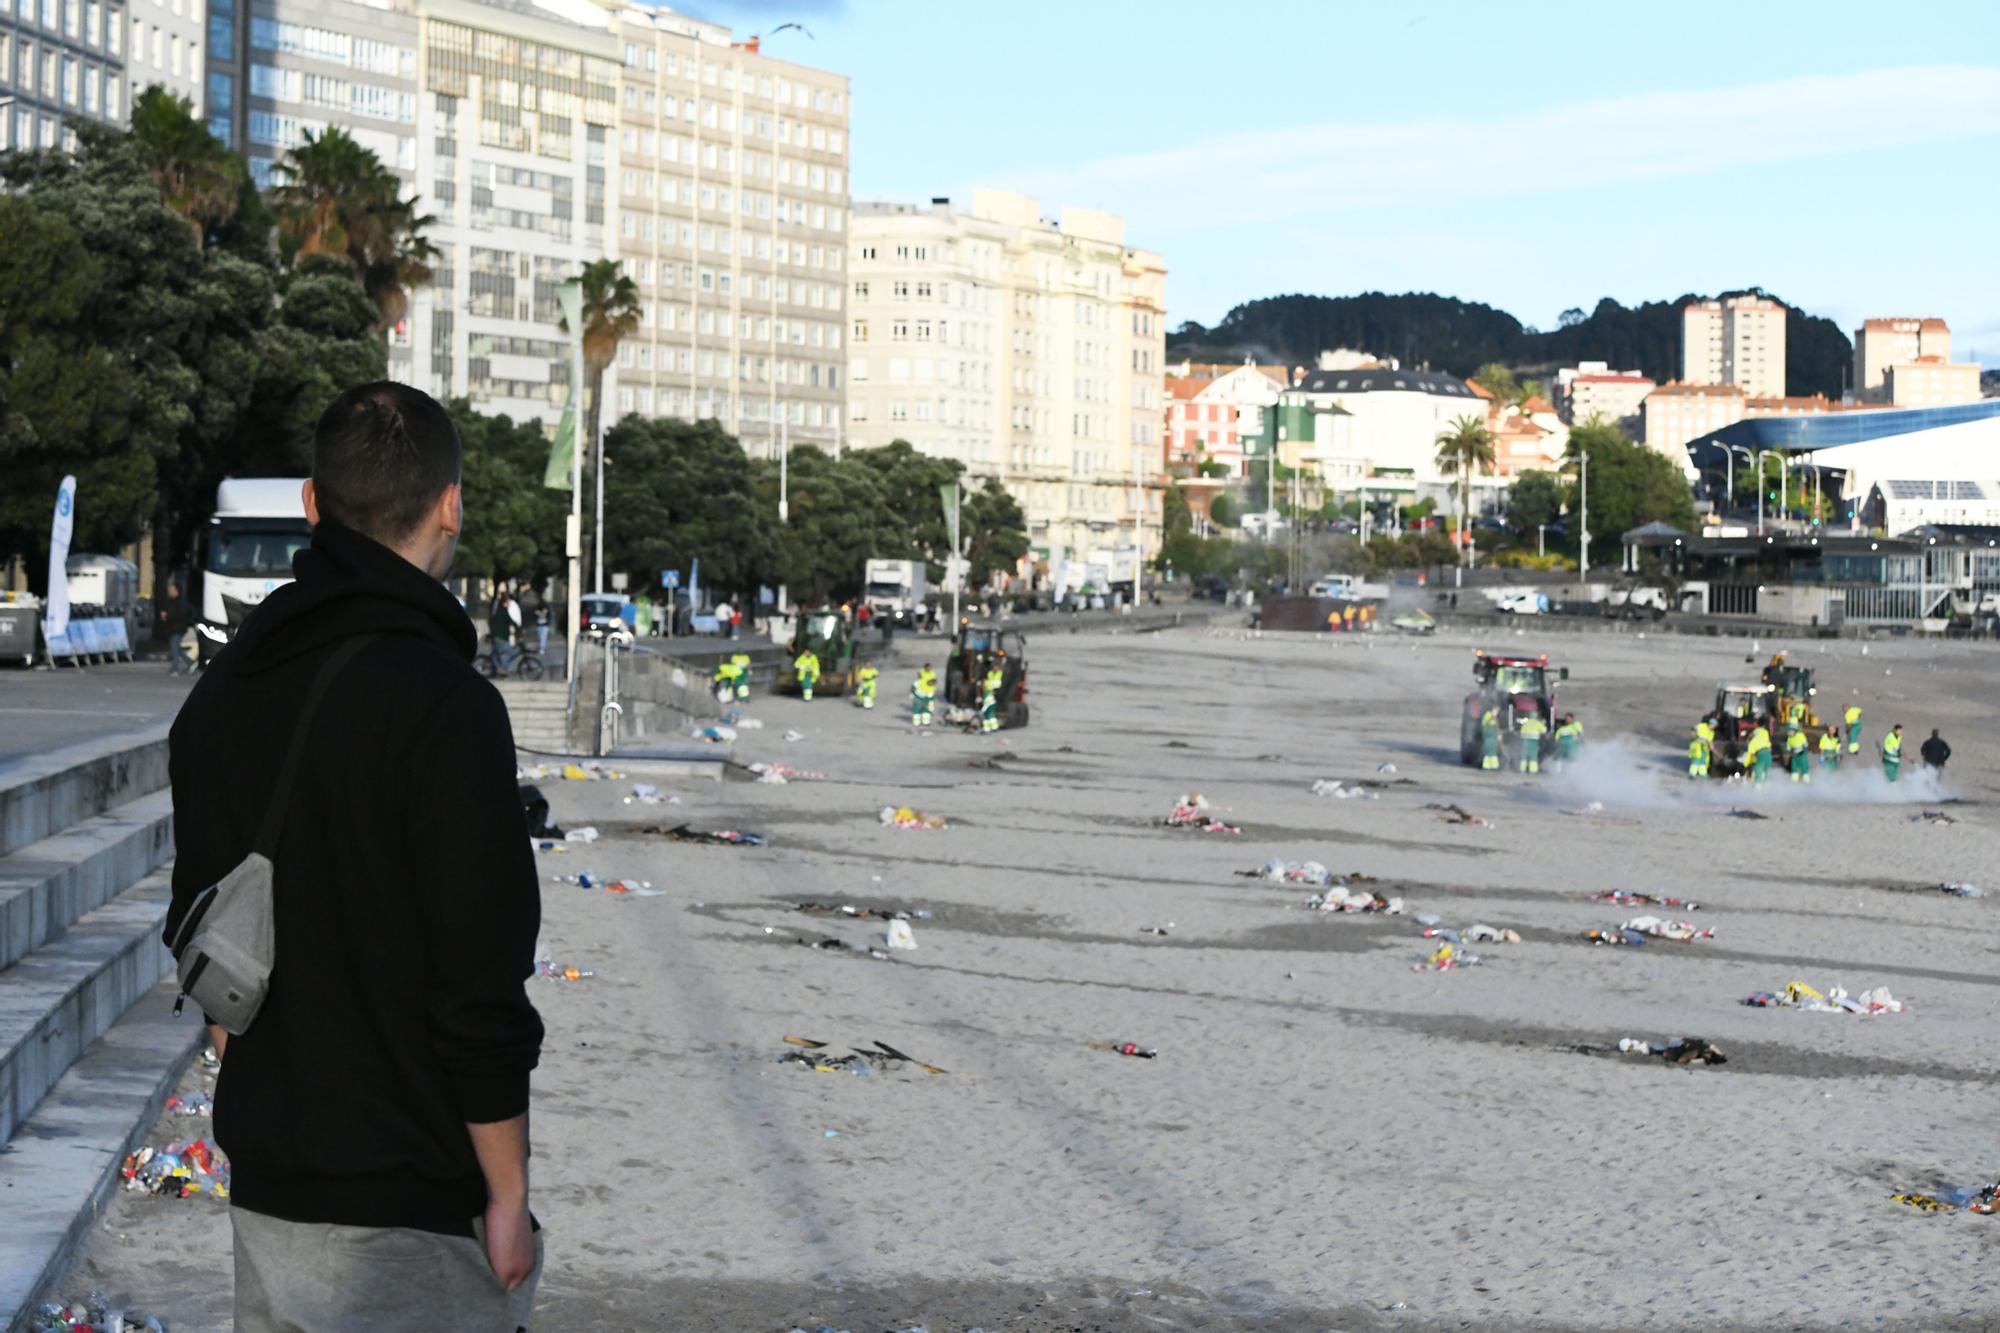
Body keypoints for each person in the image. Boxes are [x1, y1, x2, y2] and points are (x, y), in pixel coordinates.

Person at [163, 383, 544, 1328]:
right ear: (450, 504)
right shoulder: (448, 707)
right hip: (413, 1209)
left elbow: (203, 936)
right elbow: (478, 992)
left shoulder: (227, 691)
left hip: (270, 1192)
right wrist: (505, 1197)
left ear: (311, 504)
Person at [159, 579, 194, 675]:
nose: (170, 591)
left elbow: (178, 614)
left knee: (174, 648)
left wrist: (166, 615)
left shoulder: (180, 602)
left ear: (176, 591)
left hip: (178, 628)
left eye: (172, 589)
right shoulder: (171, 600)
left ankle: (175, 669)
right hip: (173, 628)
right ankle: (190, 662)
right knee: (177, 648)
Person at [487, 591, 517, 673]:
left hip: (496, 636)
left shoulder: (498, 611)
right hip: (499, 637)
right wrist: (519, 628)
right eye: (508, 602)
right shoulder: (503, 612)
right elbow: (511, 622)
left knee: (494, 655)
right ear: (505, 603)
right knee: (512, 652)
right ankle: (502, 668)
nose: (509, 604)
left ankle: (495, 669)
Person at [1517, 710, 1548, 774]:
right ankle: (1533, 770)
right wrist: (1543, 723)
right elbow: (1544, 731)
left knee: (1524, 756)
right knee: (1533, 756)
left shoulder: (1526, 723)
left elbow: (1521, 732)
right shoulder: (1537, 723)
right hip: (1533, 742)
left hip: (1524, 741)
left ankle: (1522, 769)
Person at [979, 662, 1003, 734]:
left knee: (986, 715)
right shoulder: (990, 674)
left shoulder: (988, 691)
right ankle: (994, 727)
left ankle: (987, 729)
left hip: (990, 701)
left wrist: (982, 710)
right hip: (991, 700)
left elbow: (987, 702)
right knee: (991, 715)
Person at [1479, 704, 1501, 772]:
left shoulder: (1495, 717)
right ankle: (1486, 767)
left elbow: (1497, 726)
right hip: (1488, 736)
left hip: (1493, 737)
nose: (1497, 712)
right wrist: (1493, 716)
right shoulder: (1488, 714)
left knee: (1493, 752)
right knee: (1488, 752)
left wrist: (1499, 735)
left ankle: (1494, 767)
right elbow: (1487, 722)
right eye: (1496, 710)